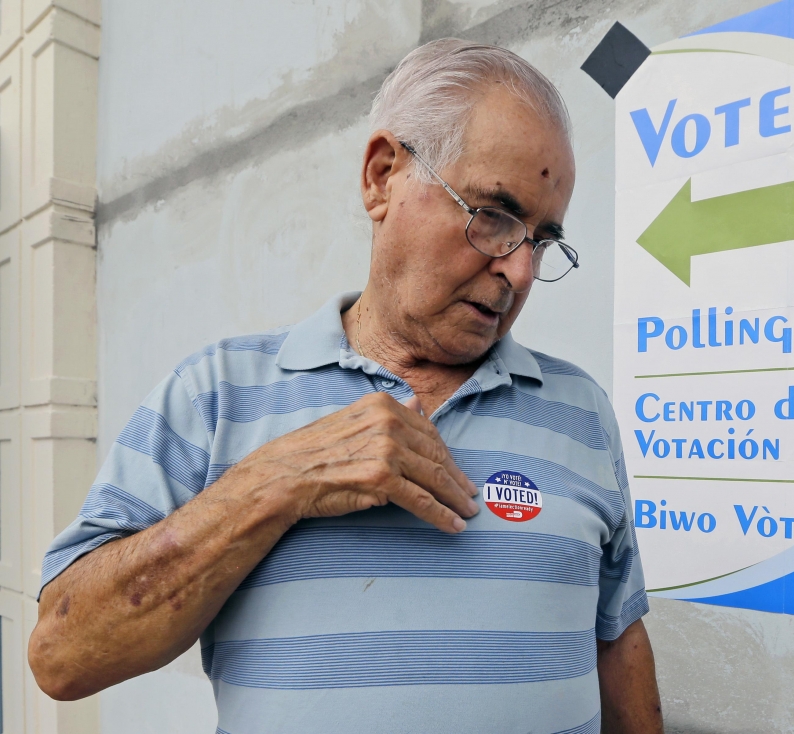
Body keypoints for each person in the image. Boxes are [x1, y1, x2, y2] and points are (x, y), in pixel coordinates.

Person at [28, 39, 662, 733]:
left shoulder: (582, 411)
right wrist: (278, 480)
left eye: (540, 241)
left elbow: (618, 636)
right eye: (495, 217)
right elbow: (63, 657)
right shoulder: (214, 392)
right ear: (383, 175)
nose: (519, 274)